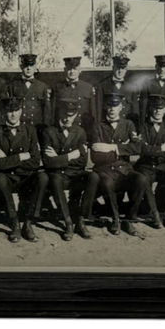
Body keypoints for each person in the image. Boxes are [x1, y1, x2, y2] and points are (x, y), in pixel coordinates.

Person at [0, 96, 48, 243]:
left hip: (26, 176)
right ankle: (14, 221)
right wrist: (22, 156)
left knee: (42, 178)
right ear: (4, 113)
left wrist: (8, 159)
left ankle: (28, 223)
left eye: (16, 110)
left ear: (21, 111)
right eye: (9, 111)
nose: (13, 114)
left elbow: (35, 162)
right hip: (8, 177)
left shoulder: (30, 130)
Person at [88, 91, 145, 236]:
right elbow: (96, 156)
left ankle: (129, 219)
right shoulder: (97, 126)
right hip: (104, 169)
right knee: (107, 183)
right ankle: (115, 219)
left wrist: (111, 147)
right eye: (110, 105)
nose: (112, 109)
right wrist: (124, 149)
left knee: (140, 179)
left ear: (121, 107)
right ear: (106, 107)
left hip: (124, 168)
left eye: (116, 105)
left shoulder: (128, 124)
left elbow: (137, 148)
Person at [41, 97, 97, 240]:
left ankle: (80, 219)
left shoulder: (80, 132)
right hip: (58, 174)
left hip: (75, 173)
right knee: (56, 180)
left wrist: (59, 158)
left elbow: (82, 161)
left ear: (76, 115)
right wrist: (71, 155)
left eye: (70, 115)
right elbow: (48, 162)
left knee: (93, 177)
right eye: (64, 114)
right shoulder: (49, 132)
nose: (67, 118)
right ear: (59, 114)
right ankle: (68, 222)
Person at [132, 93, 165, 229]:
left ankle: (163, 209)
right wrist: (160, 149)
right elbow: (142, 149)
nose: (158, 111)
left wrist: (155, 152)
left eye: (161, 108)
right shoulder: (143, 127)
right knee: (144, 179)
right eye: (155, 108)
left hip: (164, 165)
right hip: (146, 166)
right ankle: (155, 214)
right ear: (150, 109)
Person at [51, 56, 96, 130]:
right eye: (69, 69)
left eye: (75, 69)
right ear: (64, 70)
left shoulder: (88, 87)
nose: (72, 72)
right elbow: (53, 112)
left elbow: (93, 113)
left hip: (83, 128)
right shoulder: (58, 87)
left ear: (80, 70)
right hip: (63, 129)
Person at [9, 53, 52, 126]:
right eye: (26, 65)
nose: (28, 68)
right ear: (21, 66)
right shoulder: (13, 86)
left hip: (36, 128)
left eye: (31, 65)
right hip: (20, 127)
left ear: (35, 67)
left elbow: (47, 112)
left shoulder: (42, 86)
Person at [96, 55, 138, 123]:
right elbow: (98, 110)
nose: (120, 71)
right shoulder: (102, 86)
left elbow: (135, 111)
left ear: (126, 69)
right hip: (108, 125)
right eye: (118, 68)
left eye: (123, 68)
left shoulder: (132, 88)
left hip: (126, 126)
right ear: (113, 68)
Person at [141, 54, 165, 123]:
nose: (162, 69)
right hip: (152, 123)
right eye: (160, 66)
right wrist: (142, 127)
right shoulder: (147, 84)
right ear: (156, 66)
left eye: (164, 66)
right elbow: (143, 108)